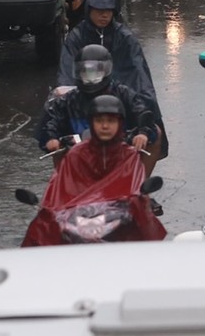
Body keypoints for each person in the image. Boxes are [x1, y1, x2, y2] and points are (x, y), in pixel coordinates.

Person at [21, 95, 168, 245]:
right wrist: (48, 209)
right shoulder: (75, 154)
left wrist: (138, 201)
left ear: (120, 123)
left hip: (117, 219)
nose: (105, 126)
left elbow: (133, 187)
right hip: (78, 220)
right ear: (91, 123)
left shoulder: (129, 155)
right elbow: (60, 190)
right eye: (99, 121)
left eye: (110, 121)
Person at [38, 44, 163, 159]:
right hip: (77, 159)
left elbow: (142, 111)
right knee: (57, 149)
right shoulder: (67, 100)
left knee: (155, 131)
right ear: (78, 72)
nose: (91, 77)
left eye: (95, 71)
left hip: (121, 156)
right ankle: (62, 179)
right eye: (86, 72)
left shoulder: (124, 93)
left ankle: (140, 179)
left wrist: (142, 133)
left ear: (106, 71)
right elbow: (50, 121)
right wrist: (50, 138)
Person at [58, 0, 158, 107]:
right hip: (84, 101)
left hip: (121, 103)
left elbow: (141, 76)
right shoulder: (76, 38)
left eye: (108, 10)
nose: (104, 15)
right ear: (89, 9)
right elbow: (66, 75)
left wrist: (150, 112)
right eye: (99, 10)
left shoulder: (126, 39)